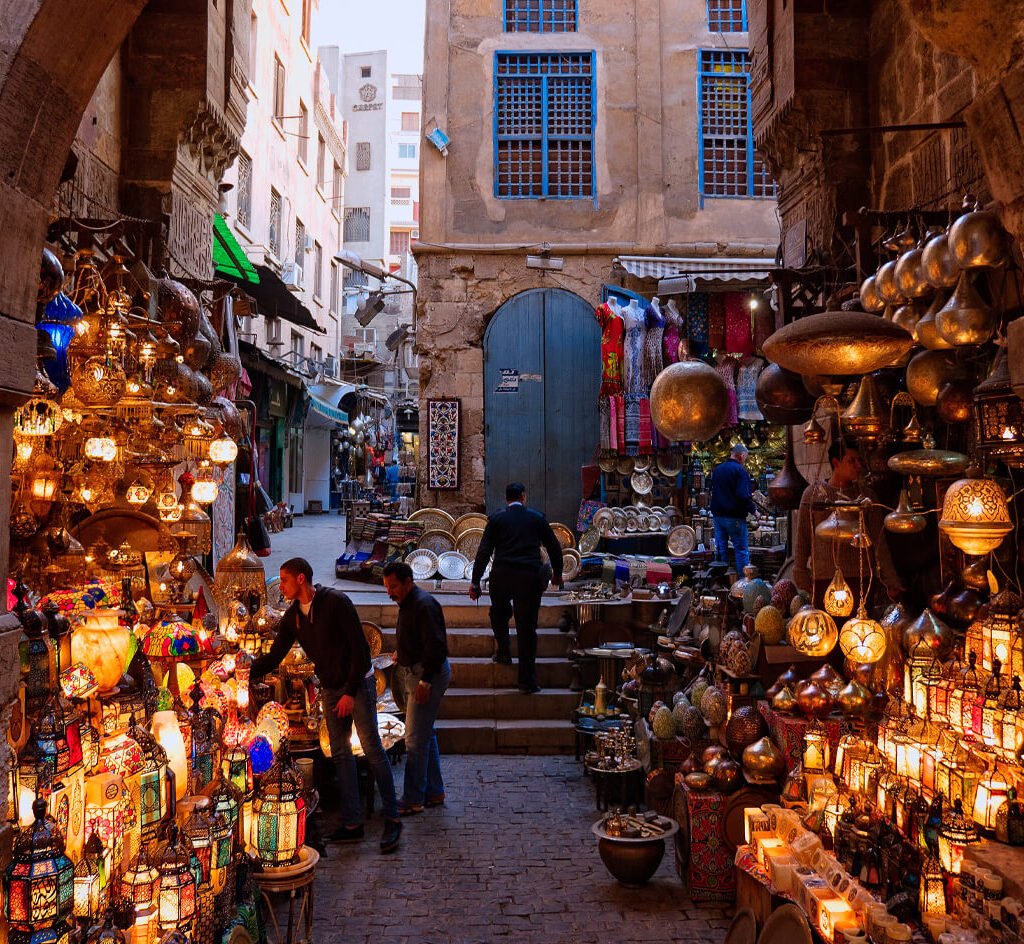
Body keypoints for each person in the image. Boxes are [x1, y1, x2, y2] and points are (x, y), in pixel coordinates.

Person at [250, 557, 402, 853]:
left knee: (371, 748)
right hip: (332, 687)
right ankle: (352, 823)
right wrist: (245, 670)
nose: (280, 586)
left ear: (301, 580)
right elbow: (275, 656)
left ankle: (393, 819)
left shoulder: (336, 602)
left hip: (357, 683)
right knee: (340, 753)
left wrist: (349, 692)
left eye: (284, 580)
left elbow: (360, 651)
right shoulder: (294, 616)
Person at [469, 483, 564, 694]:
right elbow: (554, 547)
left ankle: (503, 651)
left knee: (499, 614)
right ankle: (526, 682)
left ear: (506, 499)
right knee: (527, 629)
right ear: (524, 496)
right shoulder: (537, 518)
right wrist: (557, 573)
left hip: (501, 576)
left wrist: (475, 582)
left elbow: (483, 551)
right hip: (528, 578)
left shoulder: (496, 519)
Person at [792, 439, 904, 609]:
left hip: (860, 577)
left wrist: (891, 579)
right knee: (828, 632)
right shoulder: (813, 495)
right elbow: (803, 537)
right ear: (836, 463)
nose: (858, 466)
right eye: (851, 461)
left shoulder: (866, 497)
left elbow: (879, 541)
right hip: (824, 577)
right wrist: (800, 572)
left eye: (859, 460)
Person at [382, 561, 450, 815]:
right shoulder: (409, 602)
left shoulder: (424, 605)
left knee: (413, 739)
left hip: (426, 676)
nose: (390, 592)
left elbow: (437, 646)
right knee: (425, 733)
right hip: (419, 671)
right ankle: (434, 791)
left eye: (394, 586)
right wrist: (404, 653)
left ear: (409, 582)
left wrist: (426, 681)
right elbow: (418, 638)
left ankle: (413, 798)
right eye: (387, 586)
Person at [710, 442, 756, 572]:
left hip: (718, 516)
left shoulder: (718, 469)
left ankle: (720, 579)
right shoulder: (740, 471)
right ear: (741, 456)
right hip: (734, 517)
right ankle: (743, 583)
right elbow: (743, 495)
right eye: (745, 458)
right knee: (741, 550)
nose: (744, 461)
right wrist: (754, 511)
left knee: (720, 549)